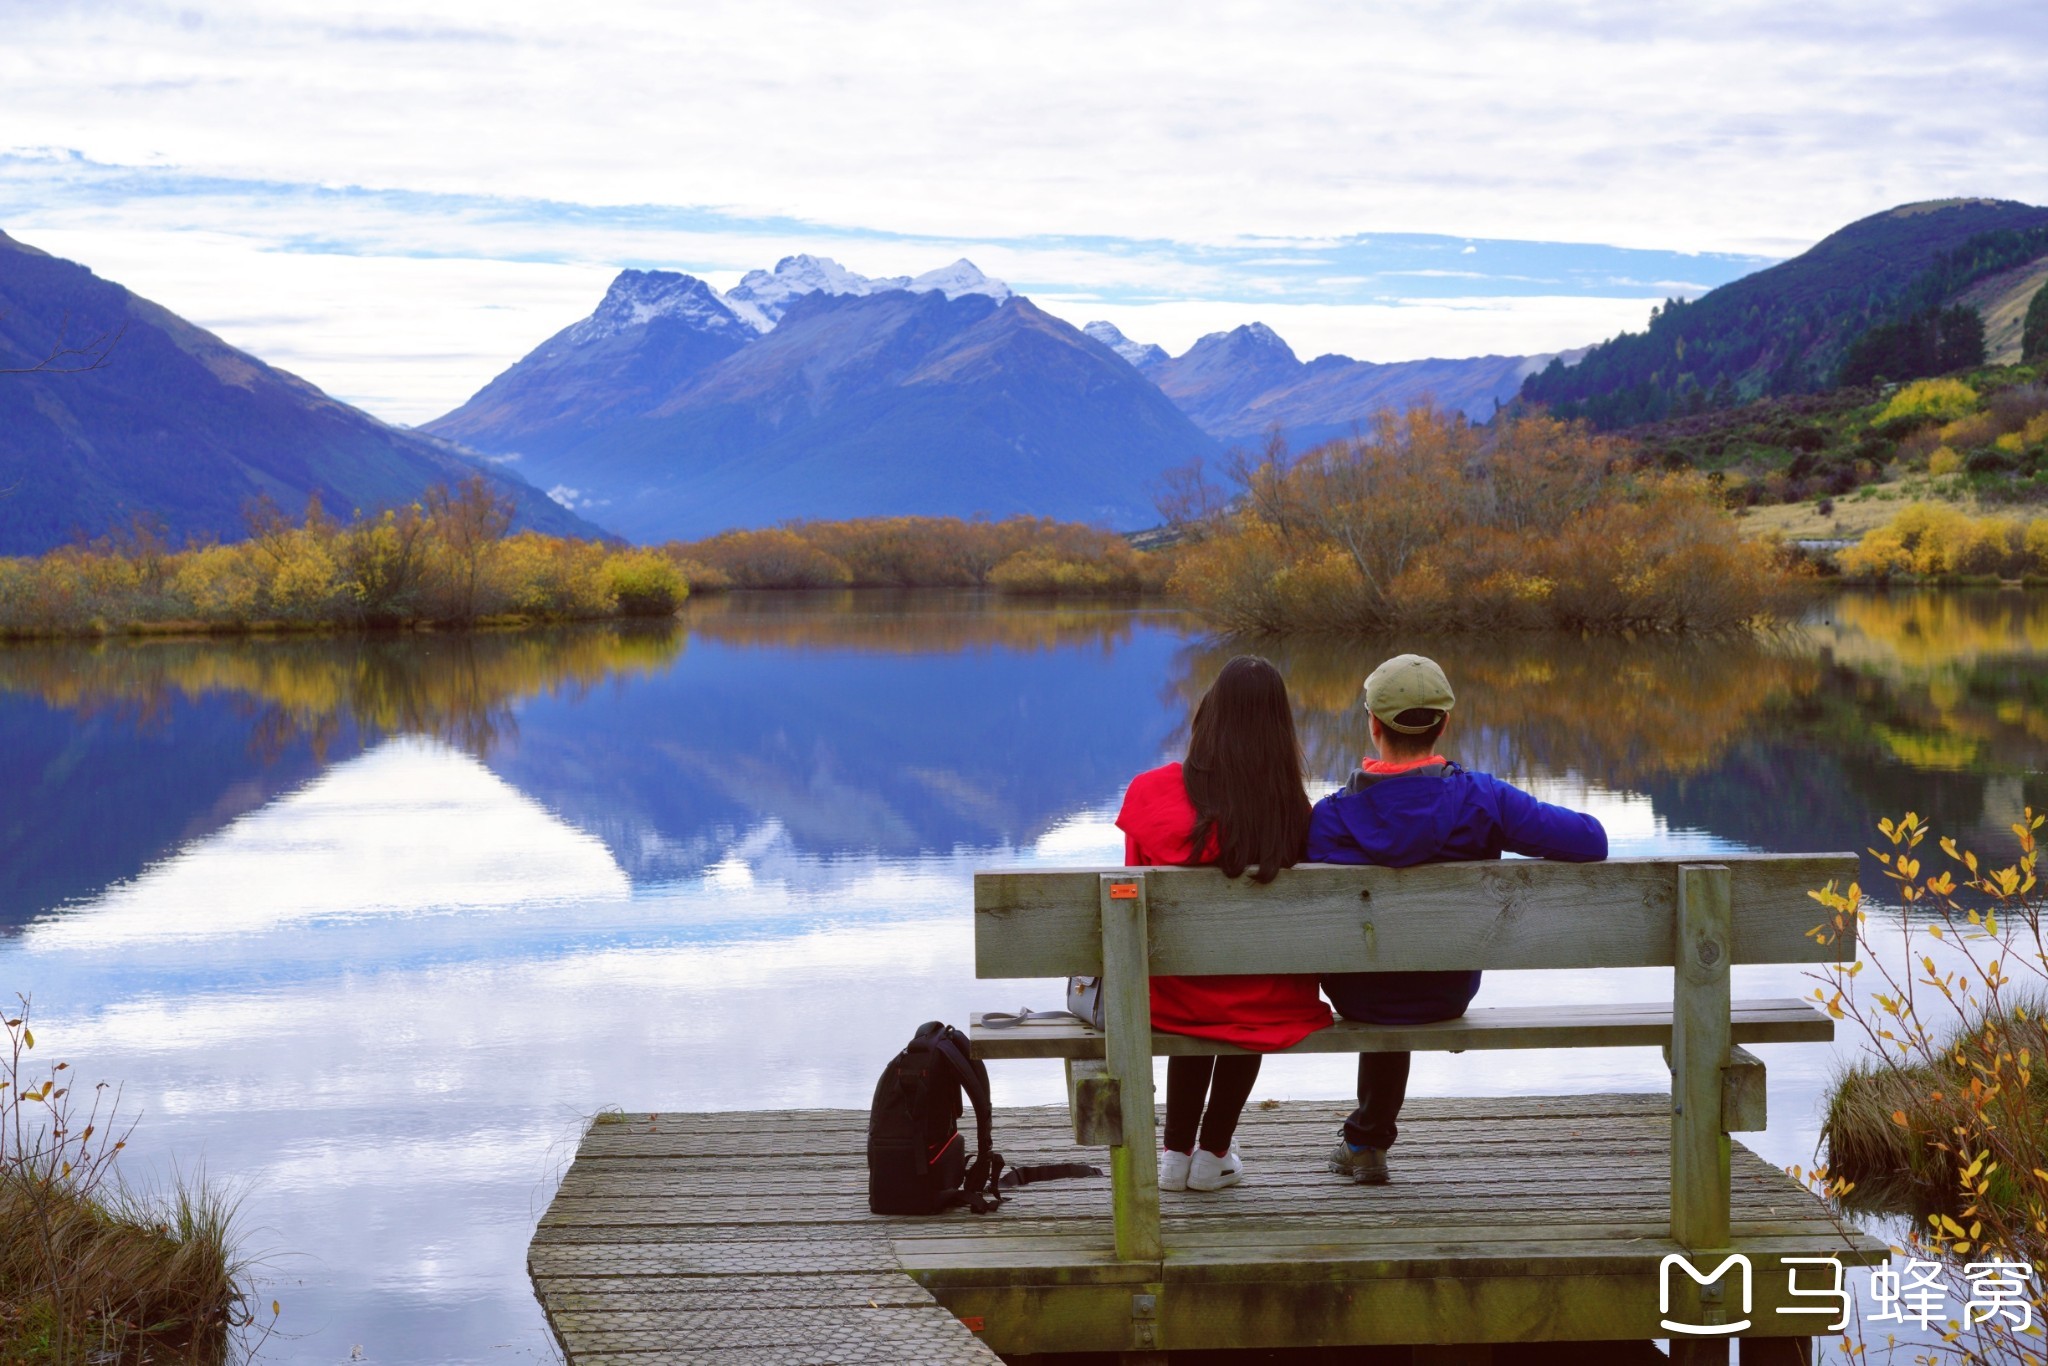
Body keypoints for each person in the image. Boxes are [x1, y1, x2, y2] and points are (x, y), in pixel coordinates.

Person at [1310, 654, 1607, 1185]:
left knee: (1384, 965)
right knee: (1405, 965)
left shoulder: (1328, 818)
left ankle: (1366, 1139)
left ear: (1373, 724)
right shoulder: (1484, 799)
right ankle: (1365, 1138)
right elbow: (1591, 840)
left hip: (1358, 993)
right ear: (1444, 724)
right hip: (1446, 988)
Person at [1115, 655, 1332, 1193]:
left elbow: (1127, 903)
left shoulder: (1148, 794)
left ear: (1207, 718)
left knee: (1199, 992)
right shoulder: (1295, 813)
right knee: (1247, 998)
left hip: (1171, 996)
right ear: (1280, 732)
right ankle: (1213, 1153)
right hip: (1264, 999)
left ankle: (1173, 1155)